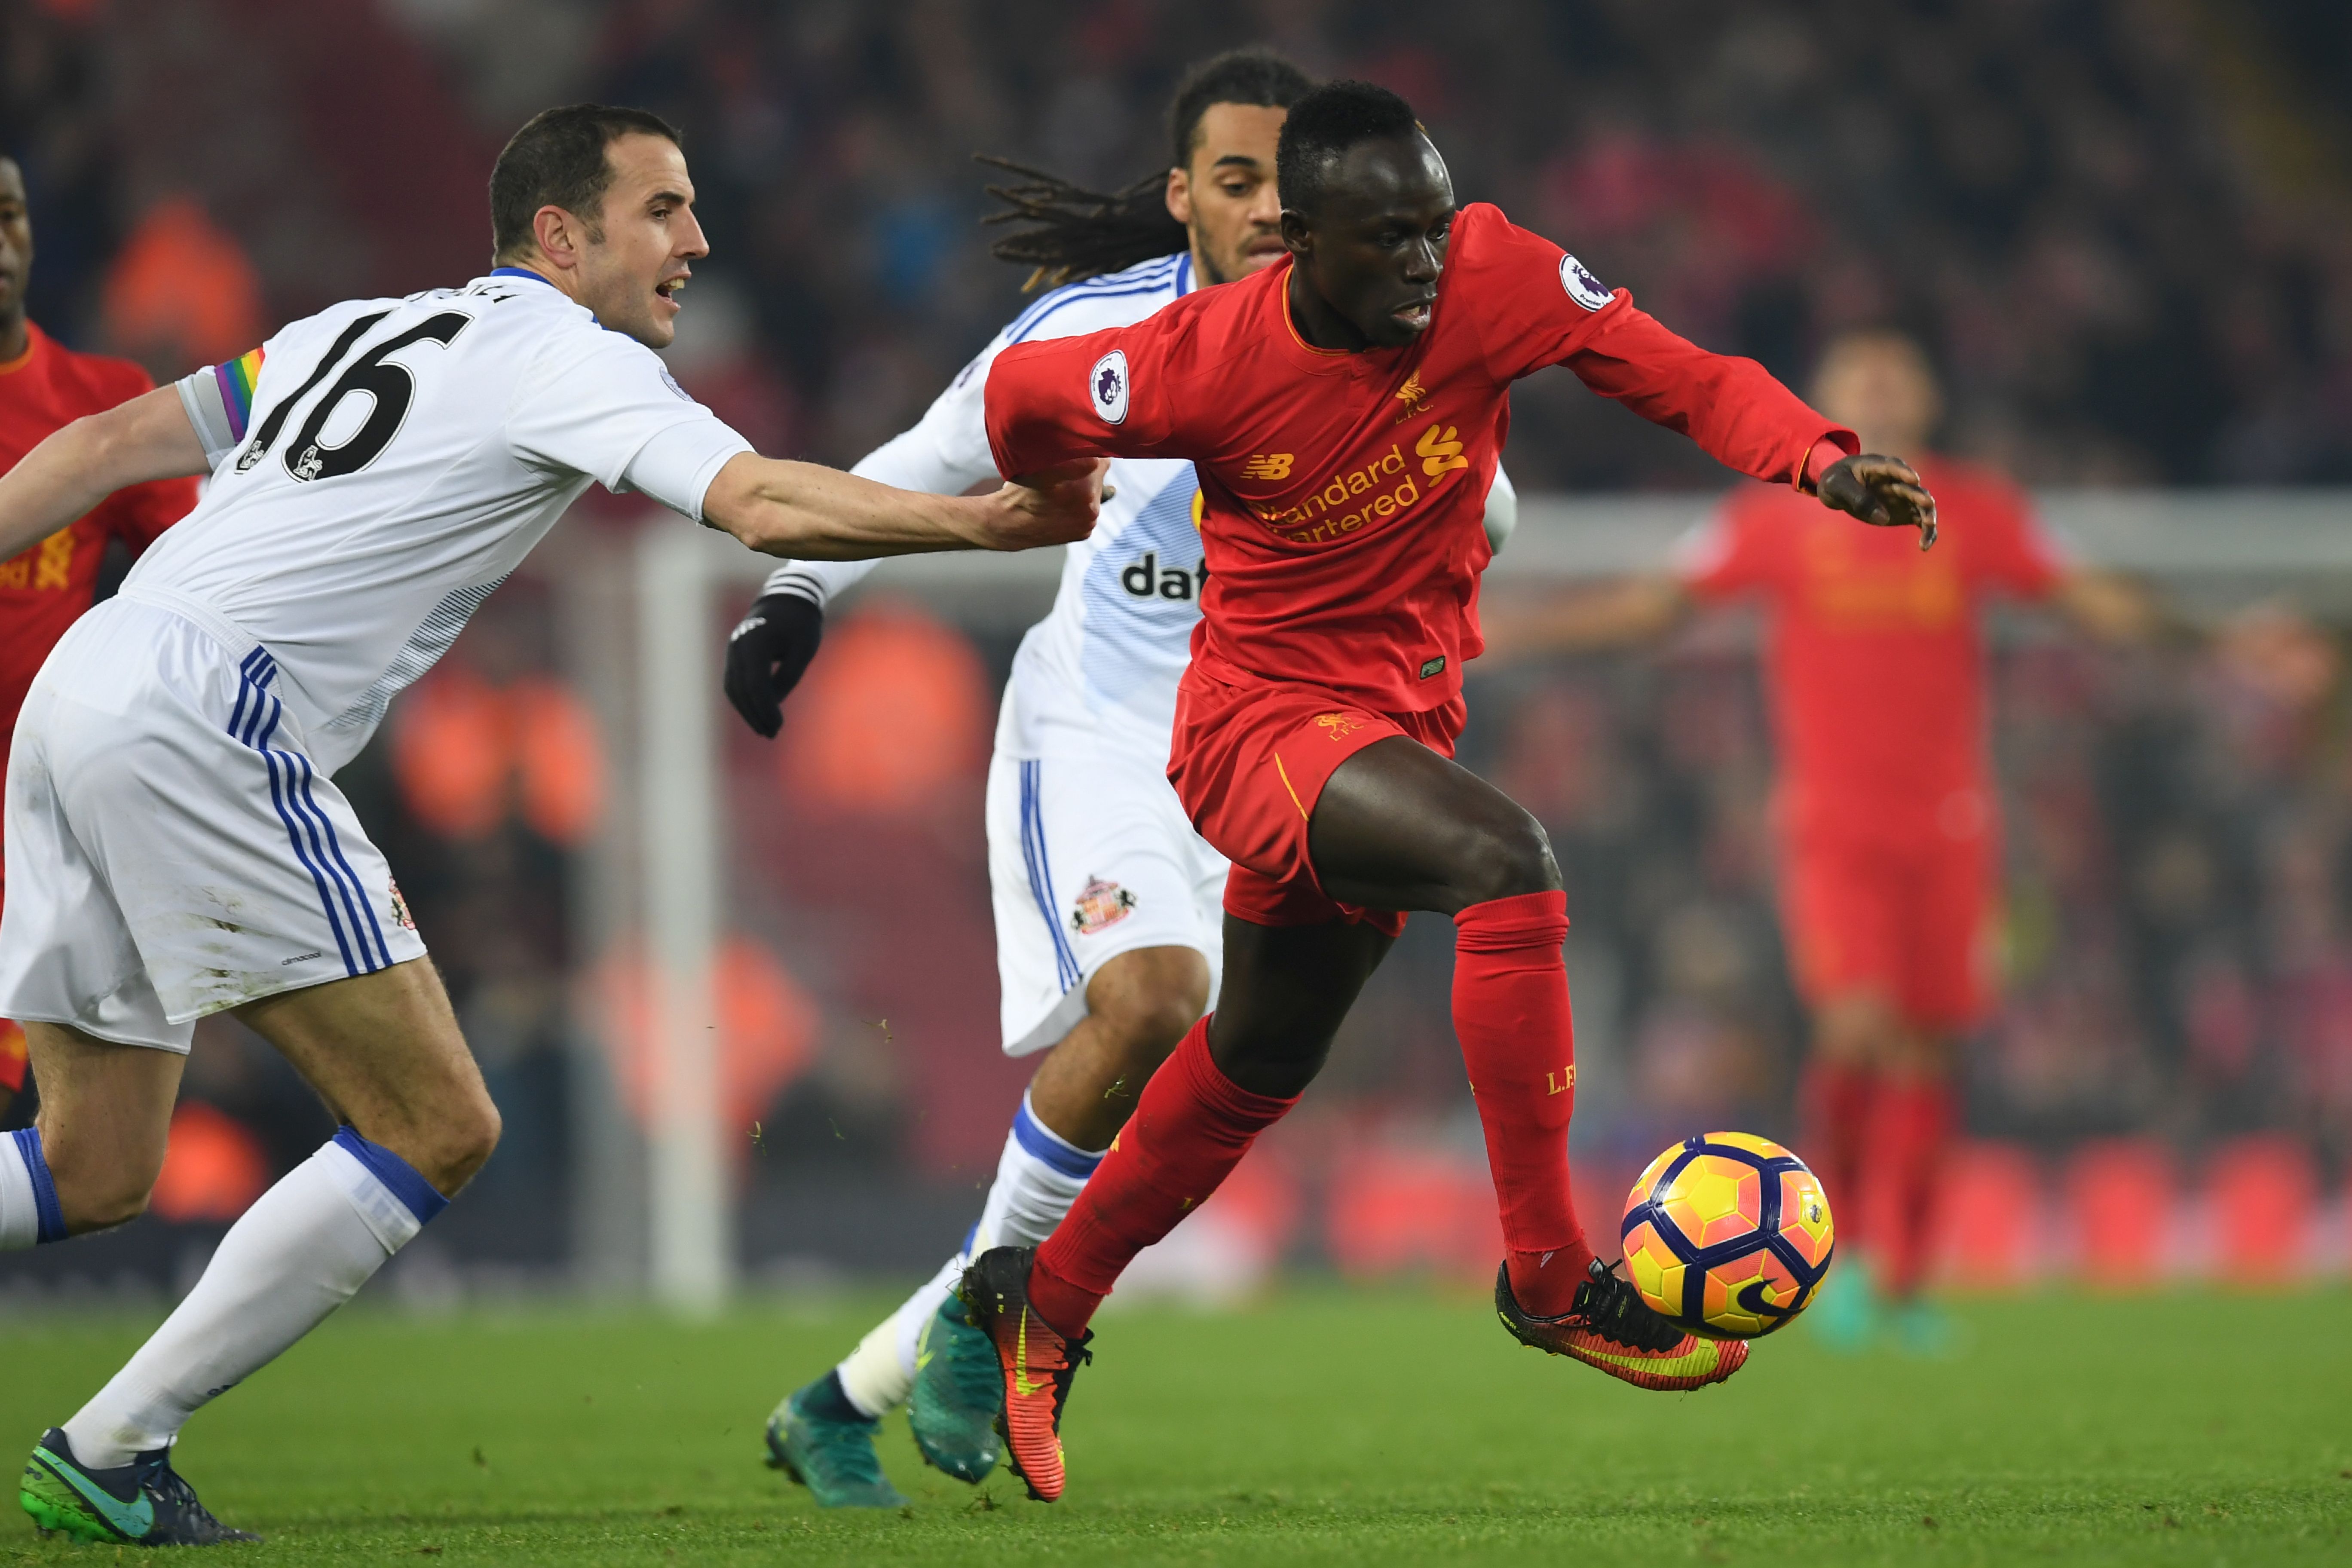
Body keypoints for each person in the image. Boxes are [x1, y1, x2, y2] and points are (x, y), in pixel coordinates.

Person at [0, 104, 1100, 1547]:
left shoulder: (359, 326)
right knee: (436, 1121)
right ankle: (115, 1443)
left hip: (83, 685)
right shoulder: (559, 352)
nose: (696, 241)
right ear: (562, 235)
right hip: (208, 714)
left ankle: (111, 1445)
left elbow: (103, 444)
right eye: (663, 209)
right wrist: (984, 525)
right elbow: (757, 497)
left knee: (91, 1162)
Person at [961, 79, 1940, 1502]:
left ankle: (1040, 1301)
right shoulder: (1198, 358)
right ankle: (1547, 1274)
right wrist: (1054, 494)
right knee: (1507, 858)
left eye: (1431, 225)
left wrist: (1818, 456)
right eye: (1388, 239)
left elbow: (1677, 367)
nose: (1424, 263)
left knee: (1255, 1062)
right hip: (1257, 724)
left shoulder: (1492, 271)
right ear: (1300, 238)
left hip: (1396, 715)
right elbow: (1019, 397)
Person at [727, 48, 1519, 1508]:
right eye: (1237, 182)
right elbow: (928, 452)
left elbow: (1488, 510)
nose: (1273, 211)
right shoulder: (1095, 332)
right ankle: (995, 1321)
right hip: (1096, 734)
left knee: (1193, 1099)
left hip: (1275, 755)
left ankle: (843, 1398)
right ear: (1183, 198)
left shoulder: (1399, 350)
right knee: (1155, 998)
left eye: (1295, 185)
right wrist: (792, 597)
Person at [1481, 327, 2166, 1351]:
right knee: (1857, 1031)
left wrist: (2213, 637)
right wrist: (1513, 635)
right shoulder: (1775, 520)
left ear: (1928, 400)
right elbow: (1654, 607)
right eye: (1861, 382)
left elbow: (2085, 595)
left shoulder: (1977, 513)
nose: (1883, 395)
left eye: (1898, 376)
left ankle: (1908, 1284)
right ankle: (1834, 1263)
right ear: (1829, 408)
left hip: (1952, 829)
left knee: (1930, 1053)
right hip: (1832, 826)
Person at [0, 154, 199, 1125]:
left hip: (30, 813)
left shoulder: (99, 404)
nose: (2, 245)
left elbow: (203, 573)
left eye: (12, 216)